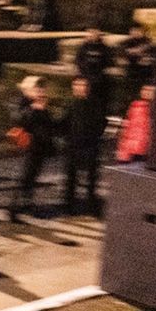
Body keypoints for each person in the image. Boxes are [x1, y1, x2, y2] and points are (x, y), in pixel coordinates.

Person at [10, 79, 59, 221]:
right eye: (38, 90)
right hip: (30, 147)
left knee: (32, 177)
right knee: (24, 177)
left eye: (42, 90)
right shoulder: (26, 104)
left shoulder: (43, 106)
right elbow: (21, 120)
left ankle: (27, 204)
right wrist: (34, 109)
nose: (41, 92)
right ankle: (13, 210)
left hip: (40, 147)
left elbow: (50, 126)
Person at [63, 77, 107, 215]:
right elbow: (64, 122)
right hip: (73, 146)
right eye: (77, 85)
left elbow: (102, 122)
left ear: (87, 87)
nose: (80, 88)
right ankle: (69, 206)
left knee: (91, 178)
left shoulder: (95, 103)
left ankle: (91, 207)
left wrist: (93, 136)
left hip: (89, 146)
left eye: (83, 85)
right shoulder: (70, 104)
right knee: (71, 177)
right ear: (73, 87)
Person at [116, 83, 155, 163]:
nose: (146, 92)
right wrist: (122, 149)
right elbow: (126, 127)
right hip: (132, 148)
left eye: (150, 90)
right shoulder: (135, 106)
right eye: (144, 90)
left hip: (147, 149)